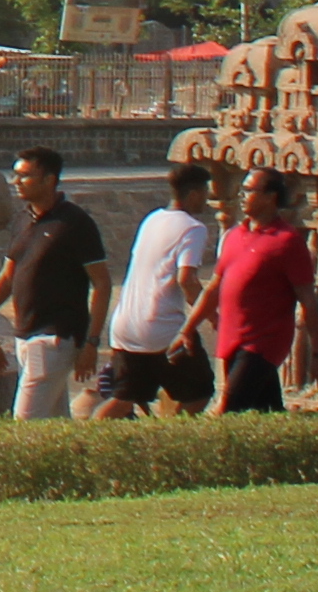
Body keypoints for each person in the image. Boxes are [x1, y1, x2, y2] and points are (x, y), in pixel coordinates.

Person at [0, 146, 102, 421]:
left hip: (53, 337)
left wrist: (92, 343)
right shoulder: (23, 220)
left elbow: (102, 284)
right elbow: (6, 278)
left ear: (49, 180)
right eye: (15, 175)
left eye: (25, 176)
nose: (16, 182)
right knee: (53, 424)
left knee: (24, 424)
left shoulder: (75, 223)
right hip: (25, 336)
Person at [90, 160, 221, 418]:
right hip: (161, 328)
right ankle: (171, 442)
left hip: (125, 325)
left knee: (123, 399)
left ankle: (85, 442)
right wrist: (213, 317)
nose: (207, 199)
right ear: (194, 193)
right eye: (206, 192)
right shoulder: (193, 228)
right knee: (199, 393)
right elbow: (187, 280)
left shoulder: (152, 219)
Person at [211, 174, 317, 413]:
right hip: (232, 339)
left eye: (250, 190)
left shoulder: (287, 241)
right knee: (266, 410)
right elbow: (213, 287)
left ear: (271, 197)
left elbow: (308, 299)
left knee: (227, 409)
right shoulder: (235, 235)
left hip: (262, 342)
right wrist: (187, 329)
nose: (243, 195)